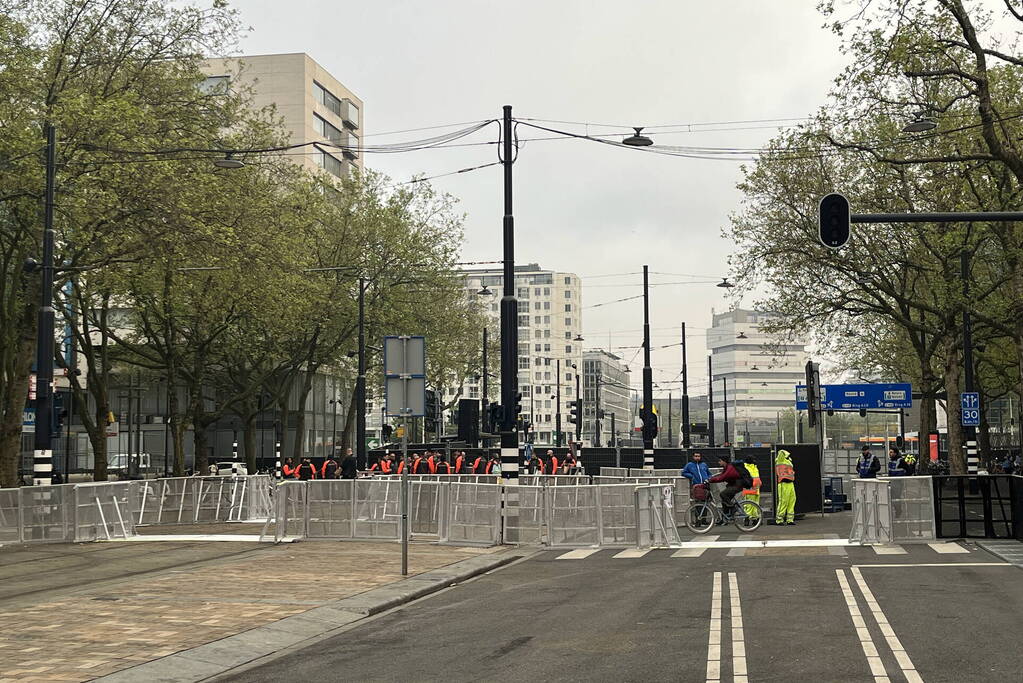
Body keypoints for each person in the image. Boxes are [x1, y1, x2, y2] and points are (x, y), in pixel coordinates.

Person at [707, 455, 745, 521]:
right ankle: (724, 518)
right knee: (724, 501)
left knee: (723, 494)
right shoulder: (726, 467)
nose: (719, 462)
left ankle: (734, 508)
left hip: (737, 486)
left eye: (720, 461)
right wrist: (711, 479)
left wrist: (710, 480)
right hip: (733, 485)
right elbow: (721, 475)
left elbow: (722, 477)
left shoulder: (730, 468)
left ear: (724, 461)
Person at [774, 449, 796, 525]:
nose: (788, 456)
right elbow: (780, 454)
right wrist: (785, 454)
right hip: (783, 484)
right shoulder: (779, 460)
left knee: (792, 501)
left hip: (790, 483)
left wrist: (788, 458)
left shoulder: (788, 461)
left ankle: (790, 520)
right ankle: (779, 520)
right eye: (787, 455)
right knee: (783, 501)